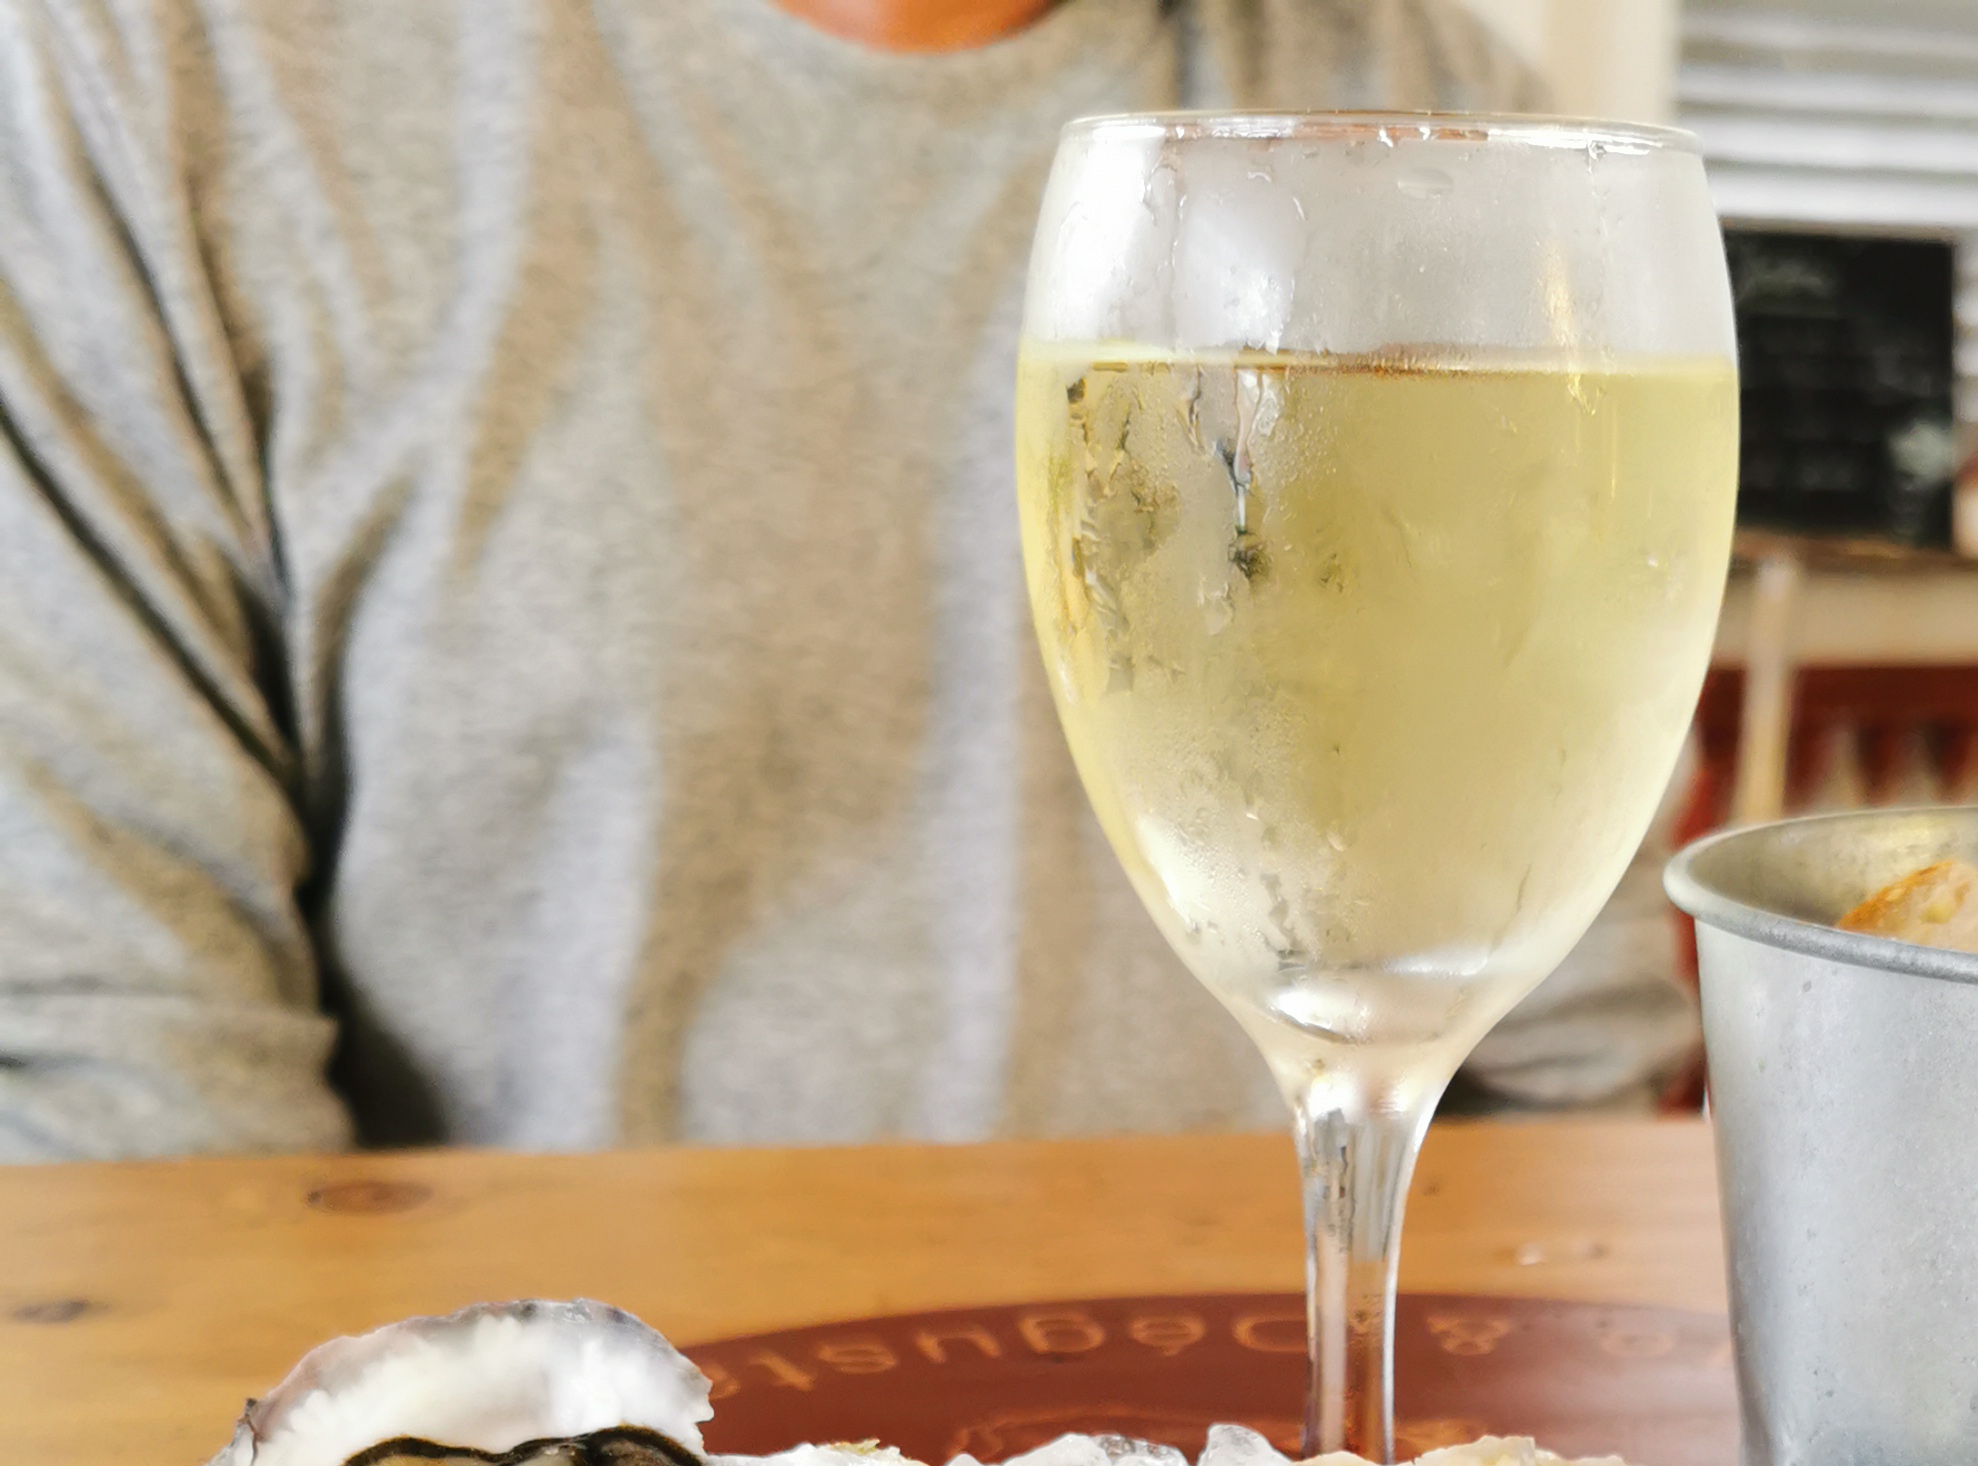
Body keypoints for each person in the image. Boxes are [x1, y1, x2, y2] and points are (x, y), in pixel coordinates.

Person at [0, 0, 1562, 1163]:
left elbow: (1550, 1056)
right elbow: (131, 1110)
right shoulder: (148, 88)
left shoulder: (1444, 116)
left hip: (1252, 1461)